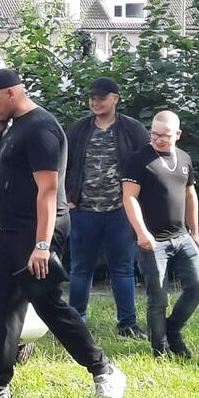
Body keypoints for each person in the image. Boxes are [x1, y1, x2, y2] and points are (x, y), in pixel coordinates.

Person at [0, 68, 126, 398]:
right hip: (11, 230)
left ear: (10, 93)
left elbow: (49, 191)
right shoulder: (13, 128)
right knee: (0, 308)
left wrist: (41, 244)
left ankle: (104, 371)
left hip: (37, 229)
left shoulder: (41, 128)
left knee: (48, 304)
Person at [65, 77, 150, 338]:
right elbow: (62, 164)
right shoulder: (78, 129)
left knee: (123, 268)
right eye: (92, 97)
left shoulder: (132, 129)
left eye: (102, 98)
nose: (95, 102)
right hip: (83, 211)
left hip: (120, 212)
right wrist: (67, 197)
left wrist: (140, 204)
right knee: (80, 268)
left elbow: (147, 166)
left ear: (115, 99)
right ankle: (75, 323)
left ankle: (128, 324)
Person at [121, 110, 199, 358]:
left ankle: (172, 329)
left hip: (182, 237)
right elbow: (129, 198)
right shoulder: (139, 160)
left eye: (165, 136)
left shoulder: (184, 158)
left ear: (177, 135)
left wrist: (195, 232)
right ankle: (160, 349)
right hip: (152, 241)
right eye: (154, 134)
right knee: (158, 297)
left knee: (198, 287)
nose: (158, 140)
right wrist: (141, 232)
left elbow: (190, 195)